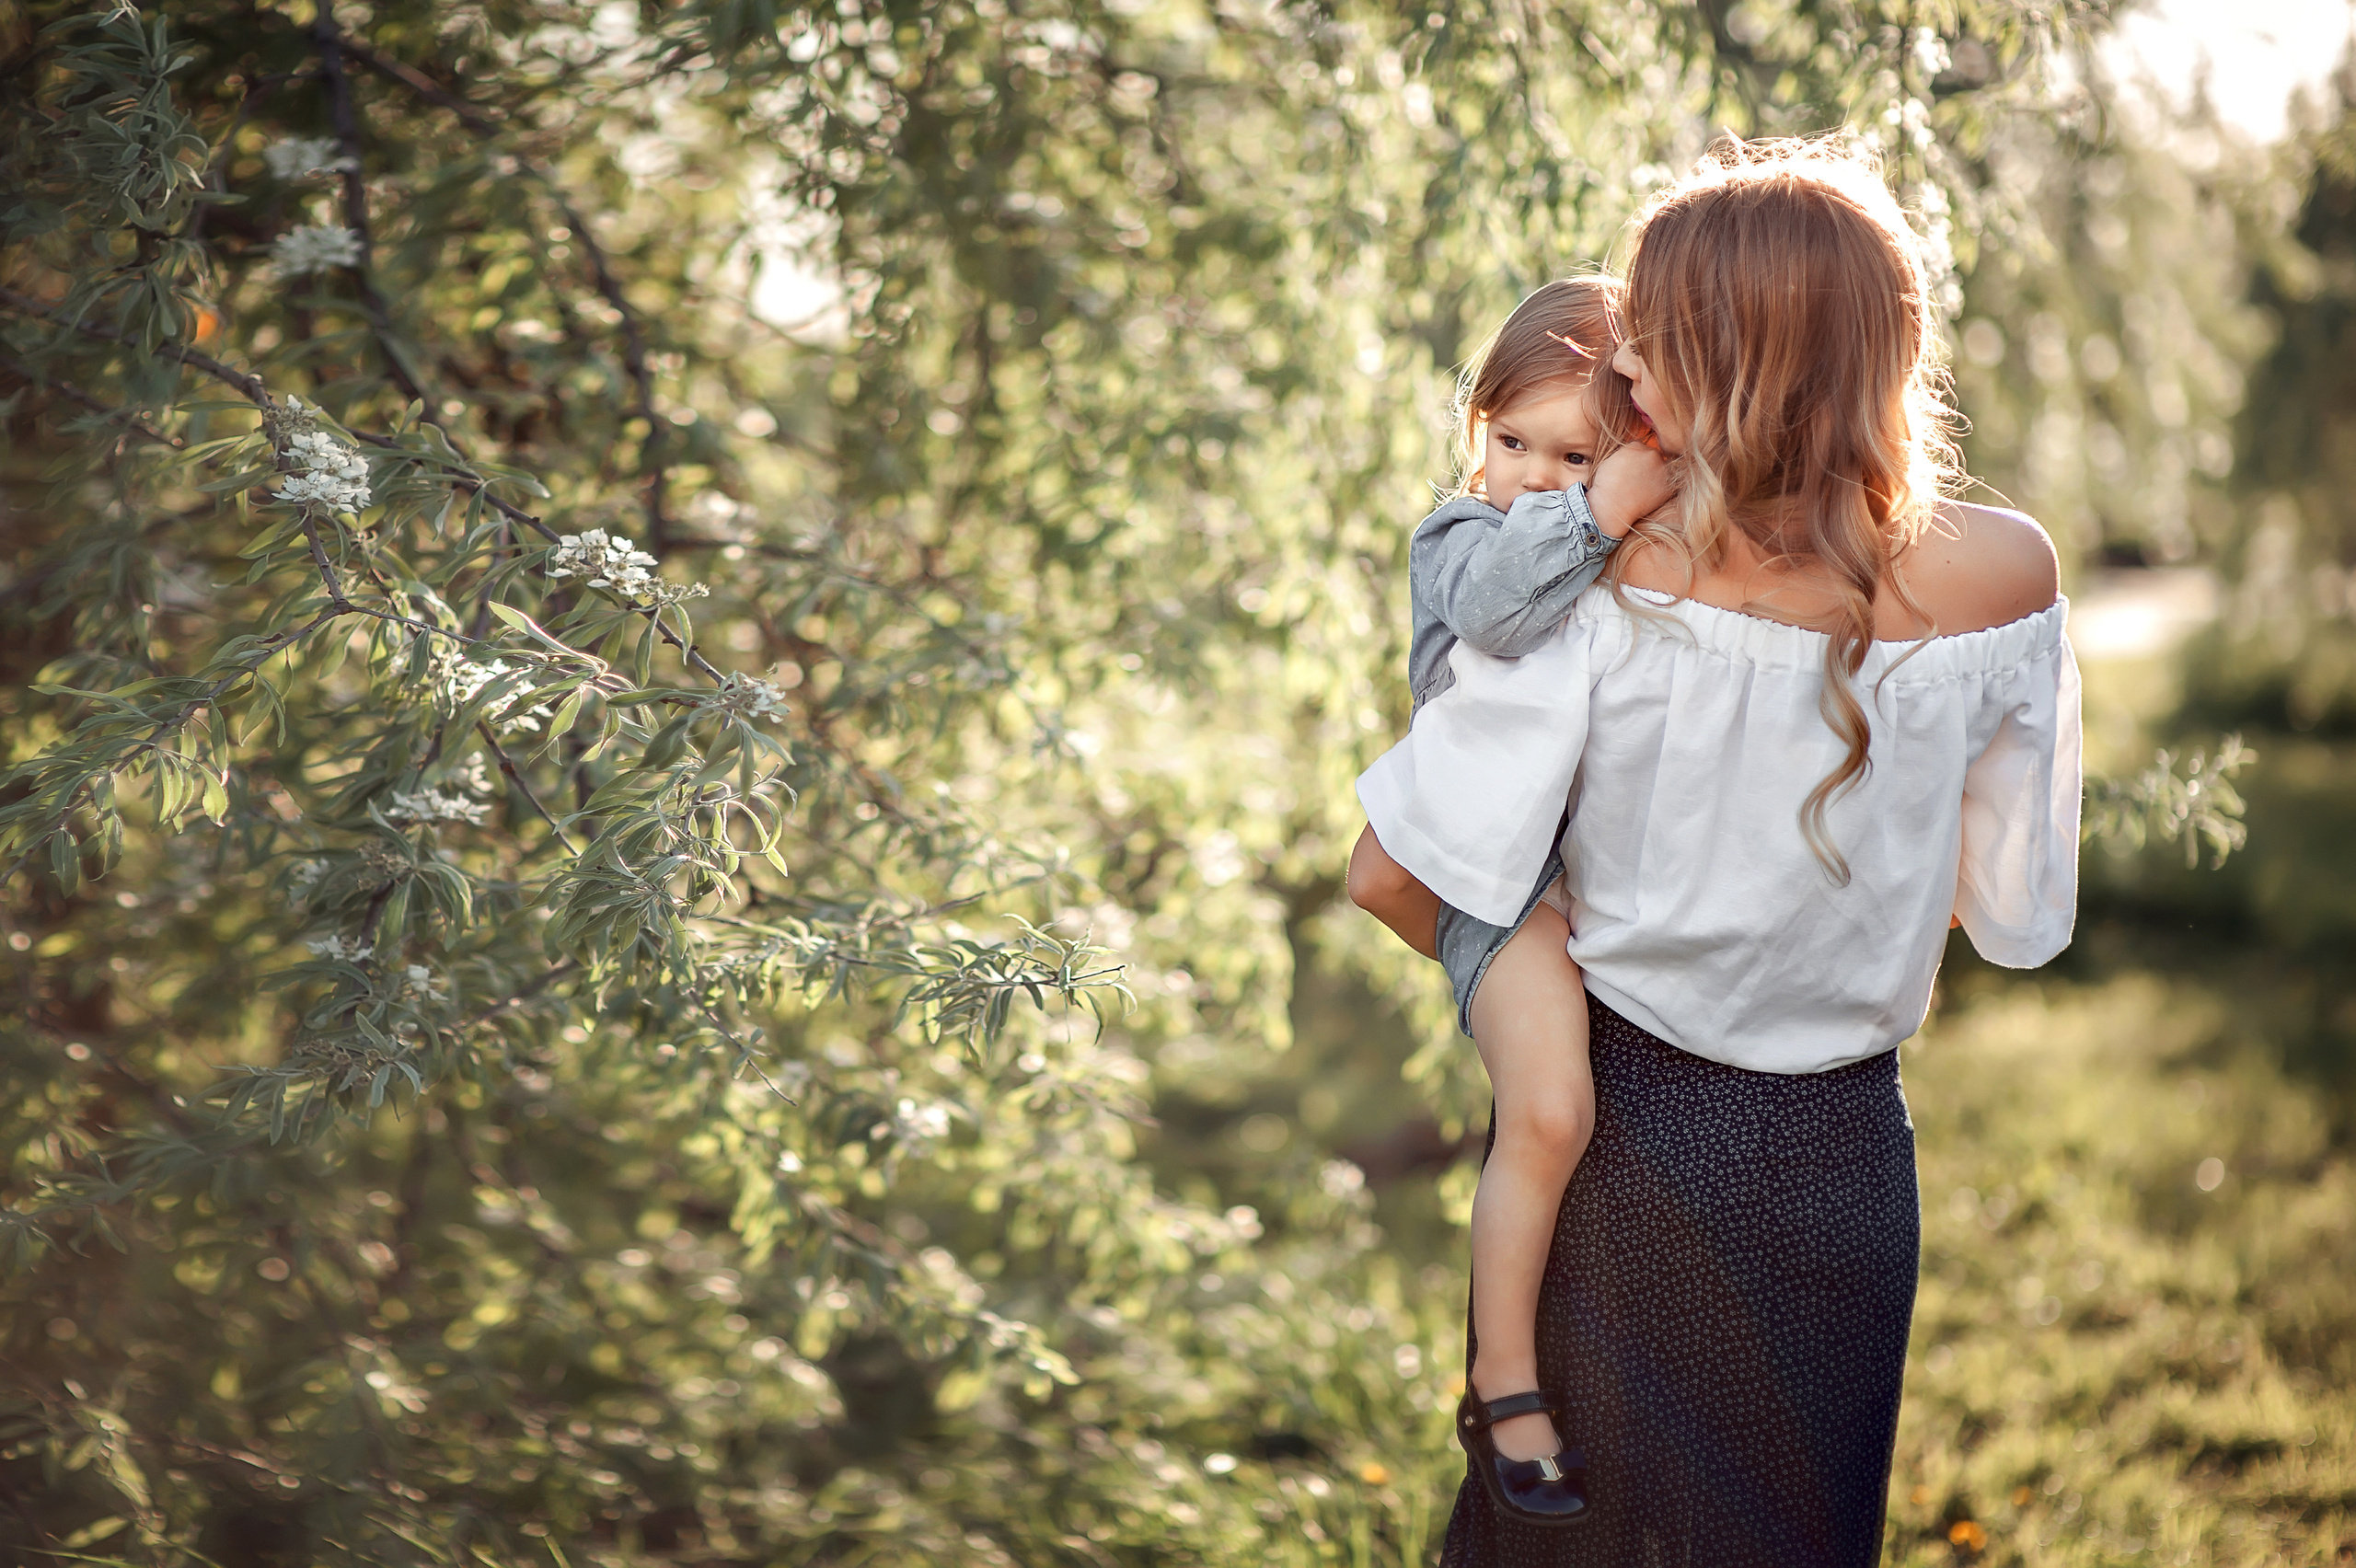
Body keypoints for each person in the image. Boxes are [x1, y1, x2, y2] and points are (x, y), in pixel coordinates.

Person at [1355, 135, 2082, 1565]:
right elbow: (1992, 902)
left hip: (1623, 1134)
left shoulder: (1607, 570)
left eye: (1649, 342)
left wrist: (1540, 954)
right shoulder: (2010, 579)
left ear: (1733, 357)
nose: (1619, 373)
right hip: (1845, 1153)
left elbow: (1397, 863)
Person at [1345, 277, 1674, 1530]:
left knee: (1560, 1109)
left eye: (1574, 451)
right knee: (1547, 1112)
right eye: (1511, 439)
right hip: (1503, 883)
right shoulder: (1466, 539)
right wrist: (1599, 500)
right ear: (1474, 430)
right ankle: (1503, 1382)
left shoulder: (1607, 539)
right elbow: (1496, 616)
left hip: (1576, 873)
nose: (1536, 474)